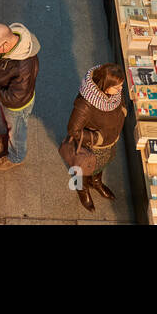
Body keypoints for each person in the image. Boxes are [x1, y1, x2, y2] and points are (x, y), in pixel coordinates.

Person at [0, 22, 40, 170]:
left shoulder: (24, 67)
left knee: (18, 132)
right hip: (7, 97)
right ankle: (8, 137)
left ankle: (16, 157)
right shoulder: (7, 44)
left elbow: (13, 98)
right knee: (11, 126)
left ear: (5, 44)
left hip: (17, 105)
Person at [62, 64, 126, 212]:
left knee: (101, 163)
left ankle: (96, 182)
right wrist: (96, 138)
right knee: (82, 168)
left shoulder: (114, 93)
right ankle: (82, 189)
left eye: (121, 86)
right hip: (92, 146)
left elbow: (119, 102)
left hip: (109, 141)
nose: (120, 90)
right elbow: (73, 130)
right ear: (105, 85)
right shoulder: (85, 104)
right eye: (117, 87)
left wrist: (123, 110)